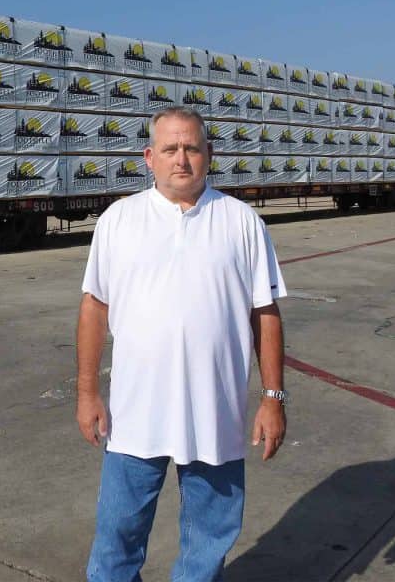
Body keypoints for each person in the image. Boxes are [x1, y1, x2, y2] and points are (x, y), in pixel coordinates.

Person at [76, 105, 288, 582]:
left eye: (192, 147)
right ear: (148, 157)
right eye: (170, 148)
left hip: (216, 414)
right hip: (135, 417)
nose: (181, 159)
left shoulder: (241, 222)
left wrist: (273, 398)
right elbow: (94, 308)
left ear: (209, 154)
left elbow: (266, 314)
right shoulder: (119, 220)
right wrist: (87, 392)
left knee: (208, 541)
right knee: (117, 539)